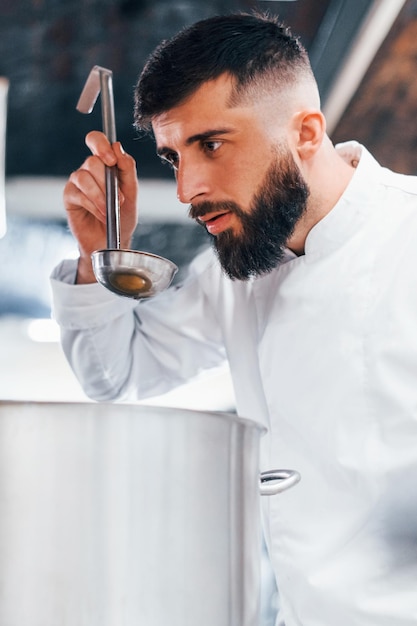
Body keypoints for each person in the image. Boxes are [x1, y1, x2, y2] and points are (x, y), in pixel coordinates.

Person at [51, 12, 417, 626]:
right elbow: (116, 375)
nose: (187, 188)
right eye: (172, 156)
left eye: (212, 145)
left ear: (305, 132)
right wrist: (97, 255)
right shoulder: (236, 276)